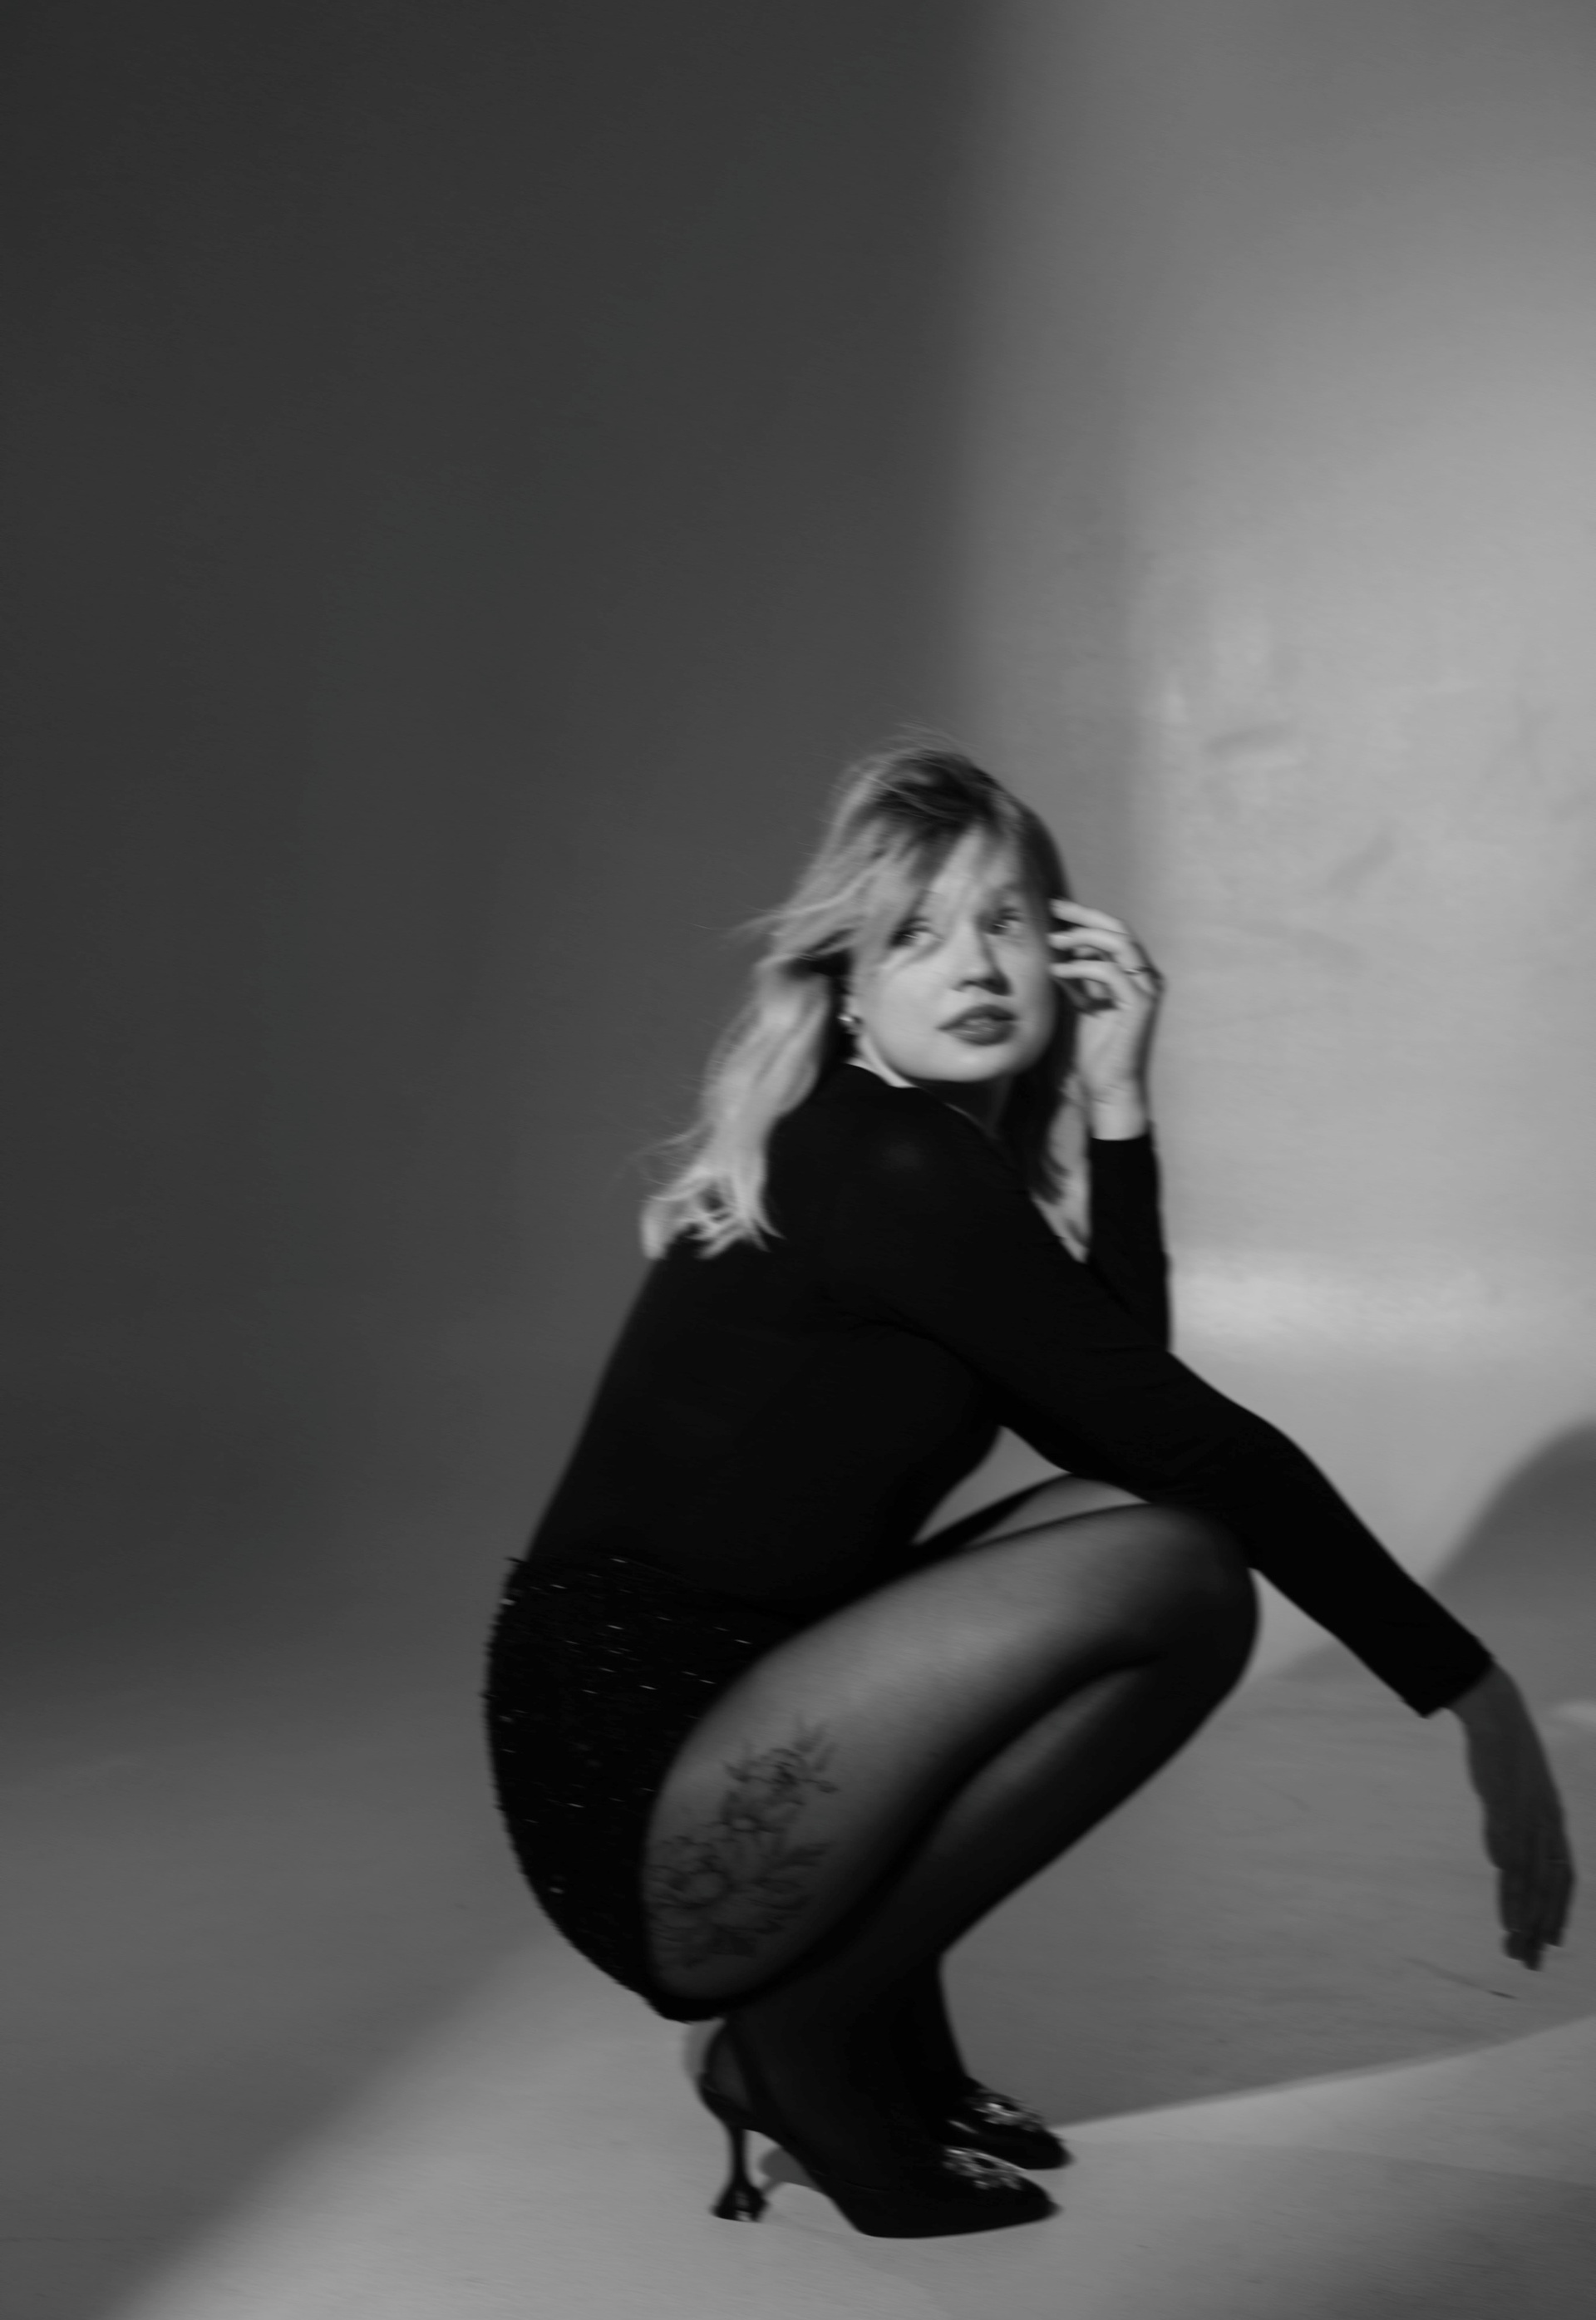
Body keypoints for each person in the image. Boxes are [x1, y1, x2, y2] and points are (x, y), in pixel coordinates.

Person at [484, 741, 1574, 2239]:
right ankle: (800, 2042)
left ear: (1063, 950)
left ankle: (874, 2038)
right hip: (642, 1785)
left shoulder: (921, 1158)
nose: (976, 964)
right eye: (917, 933)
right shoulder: (887, 1164)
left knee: (1144, 1548)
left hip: (738, 1714)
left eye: (1006, 920)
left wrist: (1118, 1104)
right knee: (1176, 1567)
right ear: (848, 982)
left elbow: (1122, 1422)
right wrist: (1471, 1692)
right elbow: (1191, 1443)